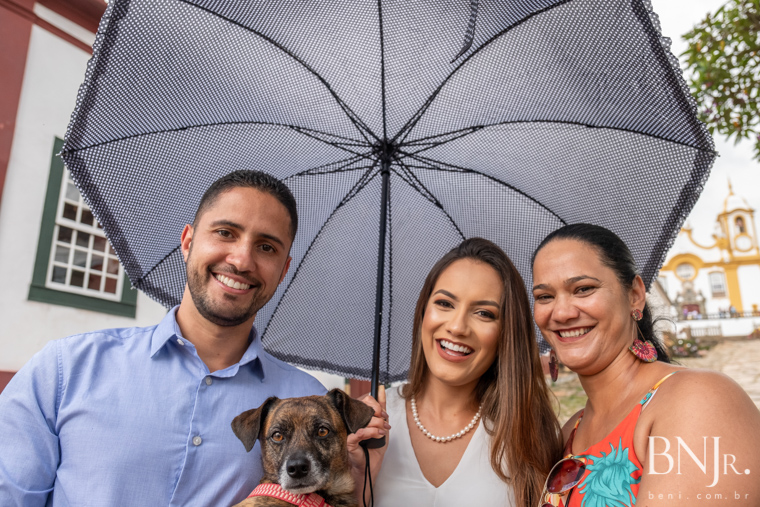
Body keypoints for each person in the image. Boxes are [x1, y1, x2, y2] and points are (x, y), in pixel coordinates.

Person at [0, 171, 332, 506]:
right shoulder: (65, 370)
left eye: (266, 247)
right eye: (225, 233)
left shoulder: (316, 408)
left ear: (283, 270)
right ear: (187, 242)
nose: (242, 260)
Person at [531, 224, 760, 506]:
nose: (562, 313)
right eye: (544, 296)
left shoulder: (698, 401)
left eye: (583, 289)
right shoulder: (571, 431)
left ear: (635, 295)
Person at [354, 238, 563, 507]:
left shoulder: (530, 434)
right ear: (423, 311)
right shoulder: (364, 430)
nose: (457, 327)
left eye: (484, 313)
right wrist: (358, 485)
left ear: (507, 333)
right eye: (445, 303)